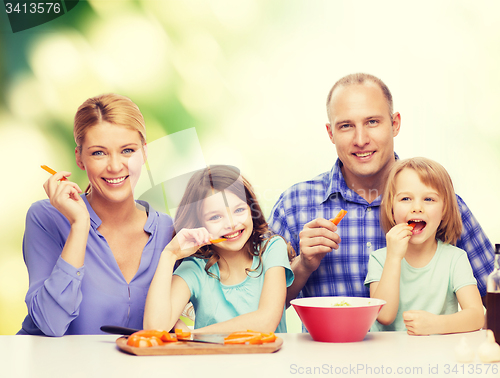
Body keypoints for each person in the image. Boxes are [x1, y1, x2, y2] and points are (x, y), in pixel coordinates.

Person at [268, 73, 494, 307]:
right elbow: (257, 309)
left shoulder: (439, 205)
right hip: (331, 345)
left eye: (372, 122)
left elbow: (493, 294)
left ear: (395, 124)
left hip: (423, 343)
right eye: (346, 126)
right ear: (330, 133)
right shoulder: (294, 204)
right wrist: (302, 266)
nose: (361, 139)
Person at [18, 94, 174, 336]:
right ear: (80, 158)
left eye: (127, 150)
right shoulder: (46, 217)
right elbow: (51, 323)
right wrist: (80, 225)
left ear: (144, 153)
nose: (114, 166)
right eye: (99, 153)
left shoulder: (168, 232)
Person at [144, 165, 294, 333]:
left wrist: (191, 335)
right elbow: (155, 328)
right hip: (212, 360)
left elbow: (266, 322)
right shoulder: (195, 268)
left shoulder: (272, 249)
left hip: (267, 359)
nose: (231, 224)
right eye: (215, 217)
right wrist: (169, 254)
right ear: (199, 223)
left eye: (239, 210)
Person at [365, 157, 484, 335]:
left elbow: (476, 316)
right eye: (406, 198)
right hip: (388, 356)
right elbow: (384, 316)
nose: (417, 207)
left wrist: (436, 324)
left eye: (429, 199)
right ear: (391, 208)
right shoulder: (380, 259)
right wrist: (394, 258)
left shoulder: (455, 259)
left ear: (444, 210)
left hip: (437, 355)